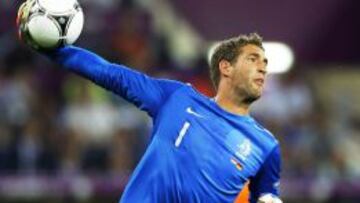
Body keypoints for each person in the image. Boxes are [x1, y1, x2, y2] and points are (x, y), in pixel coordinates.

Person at [17, 6, 282, 203]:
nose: (263, 68)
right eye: (253, 59)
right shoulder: (178, 98)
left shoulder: (266, 146)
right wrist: (50, 48)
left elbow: (266, 196)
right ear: (226, 67)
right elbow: (109, 73)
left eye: (266, 63)